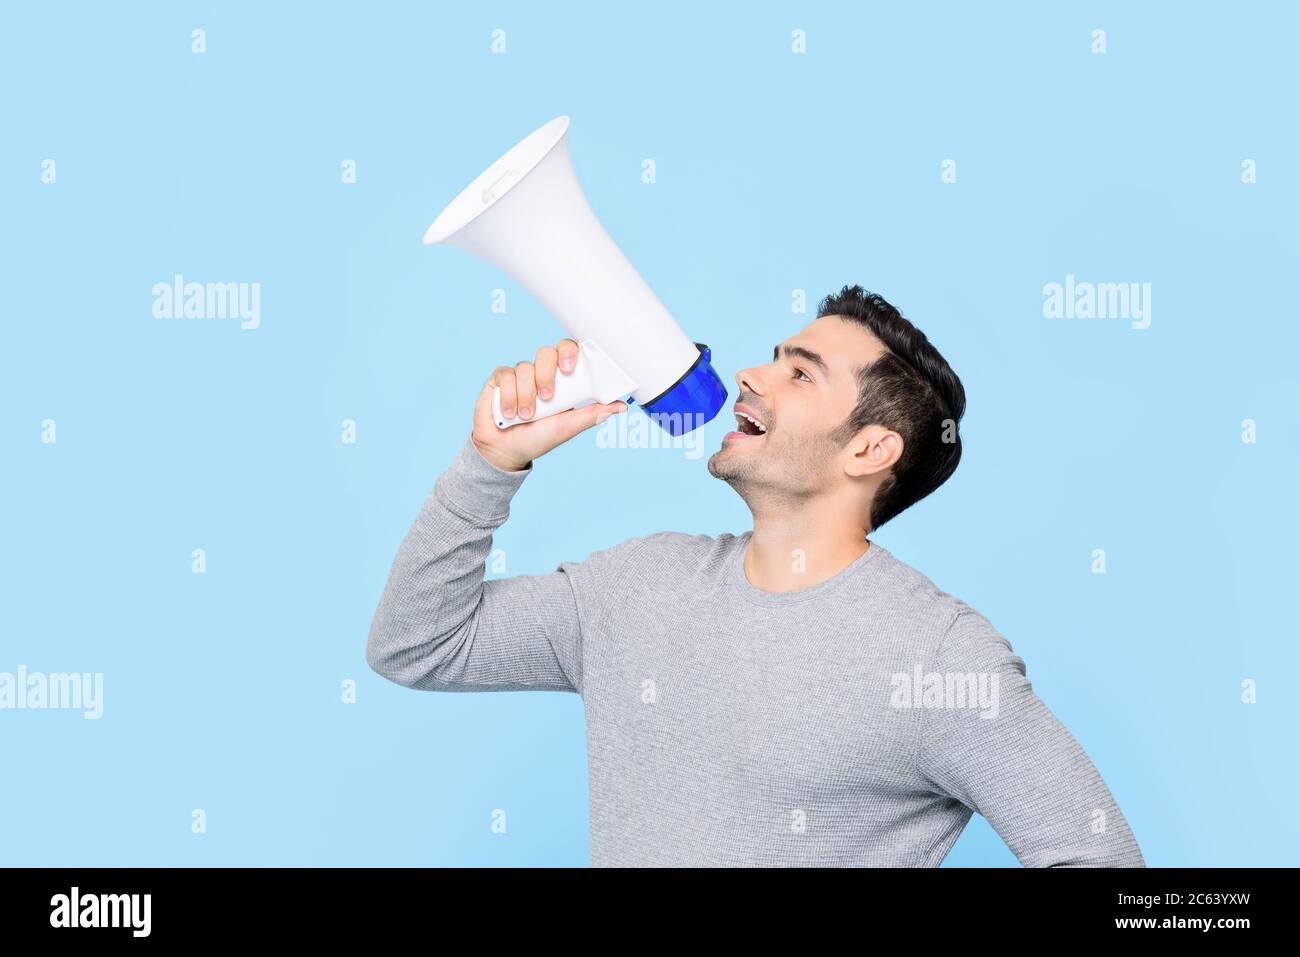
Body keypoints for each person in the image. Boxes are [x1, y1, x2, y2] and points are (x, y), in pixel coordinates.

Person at [366, 284, 1146, 868]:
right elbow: (418, 644)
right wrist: (493, 461)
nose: (751, 375)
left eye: (801, 374)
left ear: (870, 450)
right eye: (775, 357)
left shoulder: (938, 655)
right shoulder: (637, 584)